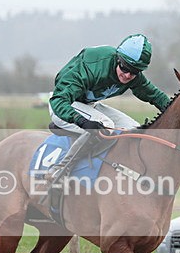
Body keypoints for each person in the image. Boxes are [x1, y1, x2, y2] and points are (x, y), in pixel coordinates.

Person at [45, 33, 172, 183]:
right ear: (118, 59)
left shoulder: (133, 76)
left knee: (134, 129)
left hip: (89, 106)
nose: (127, 75)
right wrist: (80, 121)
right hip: (63, 105)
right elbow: (59, 100)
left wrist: (177, 112)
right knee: (106, 126)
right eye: (125, 68)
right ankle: (59, 170)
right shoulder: (92, 66)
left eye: (134, 72)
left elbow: (155, 95)